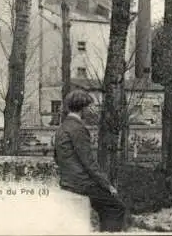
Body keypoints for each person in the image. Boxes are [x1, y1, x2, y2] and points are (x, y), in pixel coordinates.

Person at [54, 89, 126, 232]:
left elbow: (57, 158)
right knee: (116, 207)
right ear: (83, 108)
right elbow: (89, 163)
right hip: (81, 184)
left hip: (67, 181)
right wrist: (107, 185)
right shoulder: (78, 129)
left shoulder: (61, 128)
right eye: (89, 107)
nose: (90, 110)